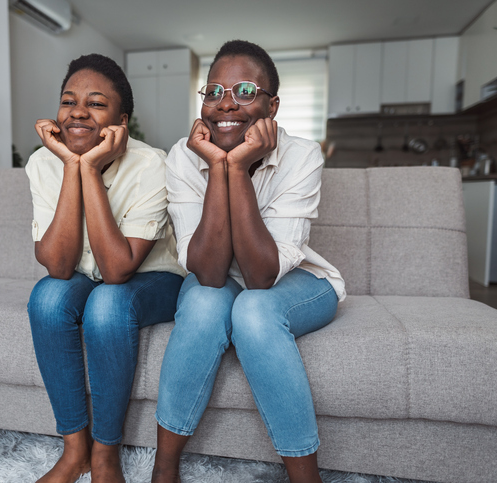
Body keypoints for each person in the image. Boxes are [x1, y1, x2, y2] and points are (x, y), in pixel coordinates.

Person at [151, 40, 346, 483]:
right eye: (214, 91)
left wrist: (236, 168)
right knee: (203, 303)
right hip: (221, 276)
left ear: (271, 106)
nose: (226, 104)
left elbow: (261, 276)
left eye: (243, 90)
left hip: (294, 281)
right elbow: (209, 271)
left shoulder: (302, 155)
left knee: (254, 310)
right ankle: (164, 469)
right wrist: (218, 165)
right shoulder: (183, 156)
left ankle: (305, 478)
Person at [26, 53, 185, 483]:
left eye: (96, 103)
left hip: (153, 278)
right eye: (68, 100)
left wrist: (89, 167)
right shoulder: (42, 163)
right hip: (83, 275)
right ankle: (74, 448)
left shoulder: (150, 164)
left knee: (108, 305)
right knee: (45, 298)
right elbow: (59, 267)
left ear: (121, 121)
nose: (78, 111)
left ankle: (105, 452)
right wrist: (69, 164)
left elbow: (117, 270)